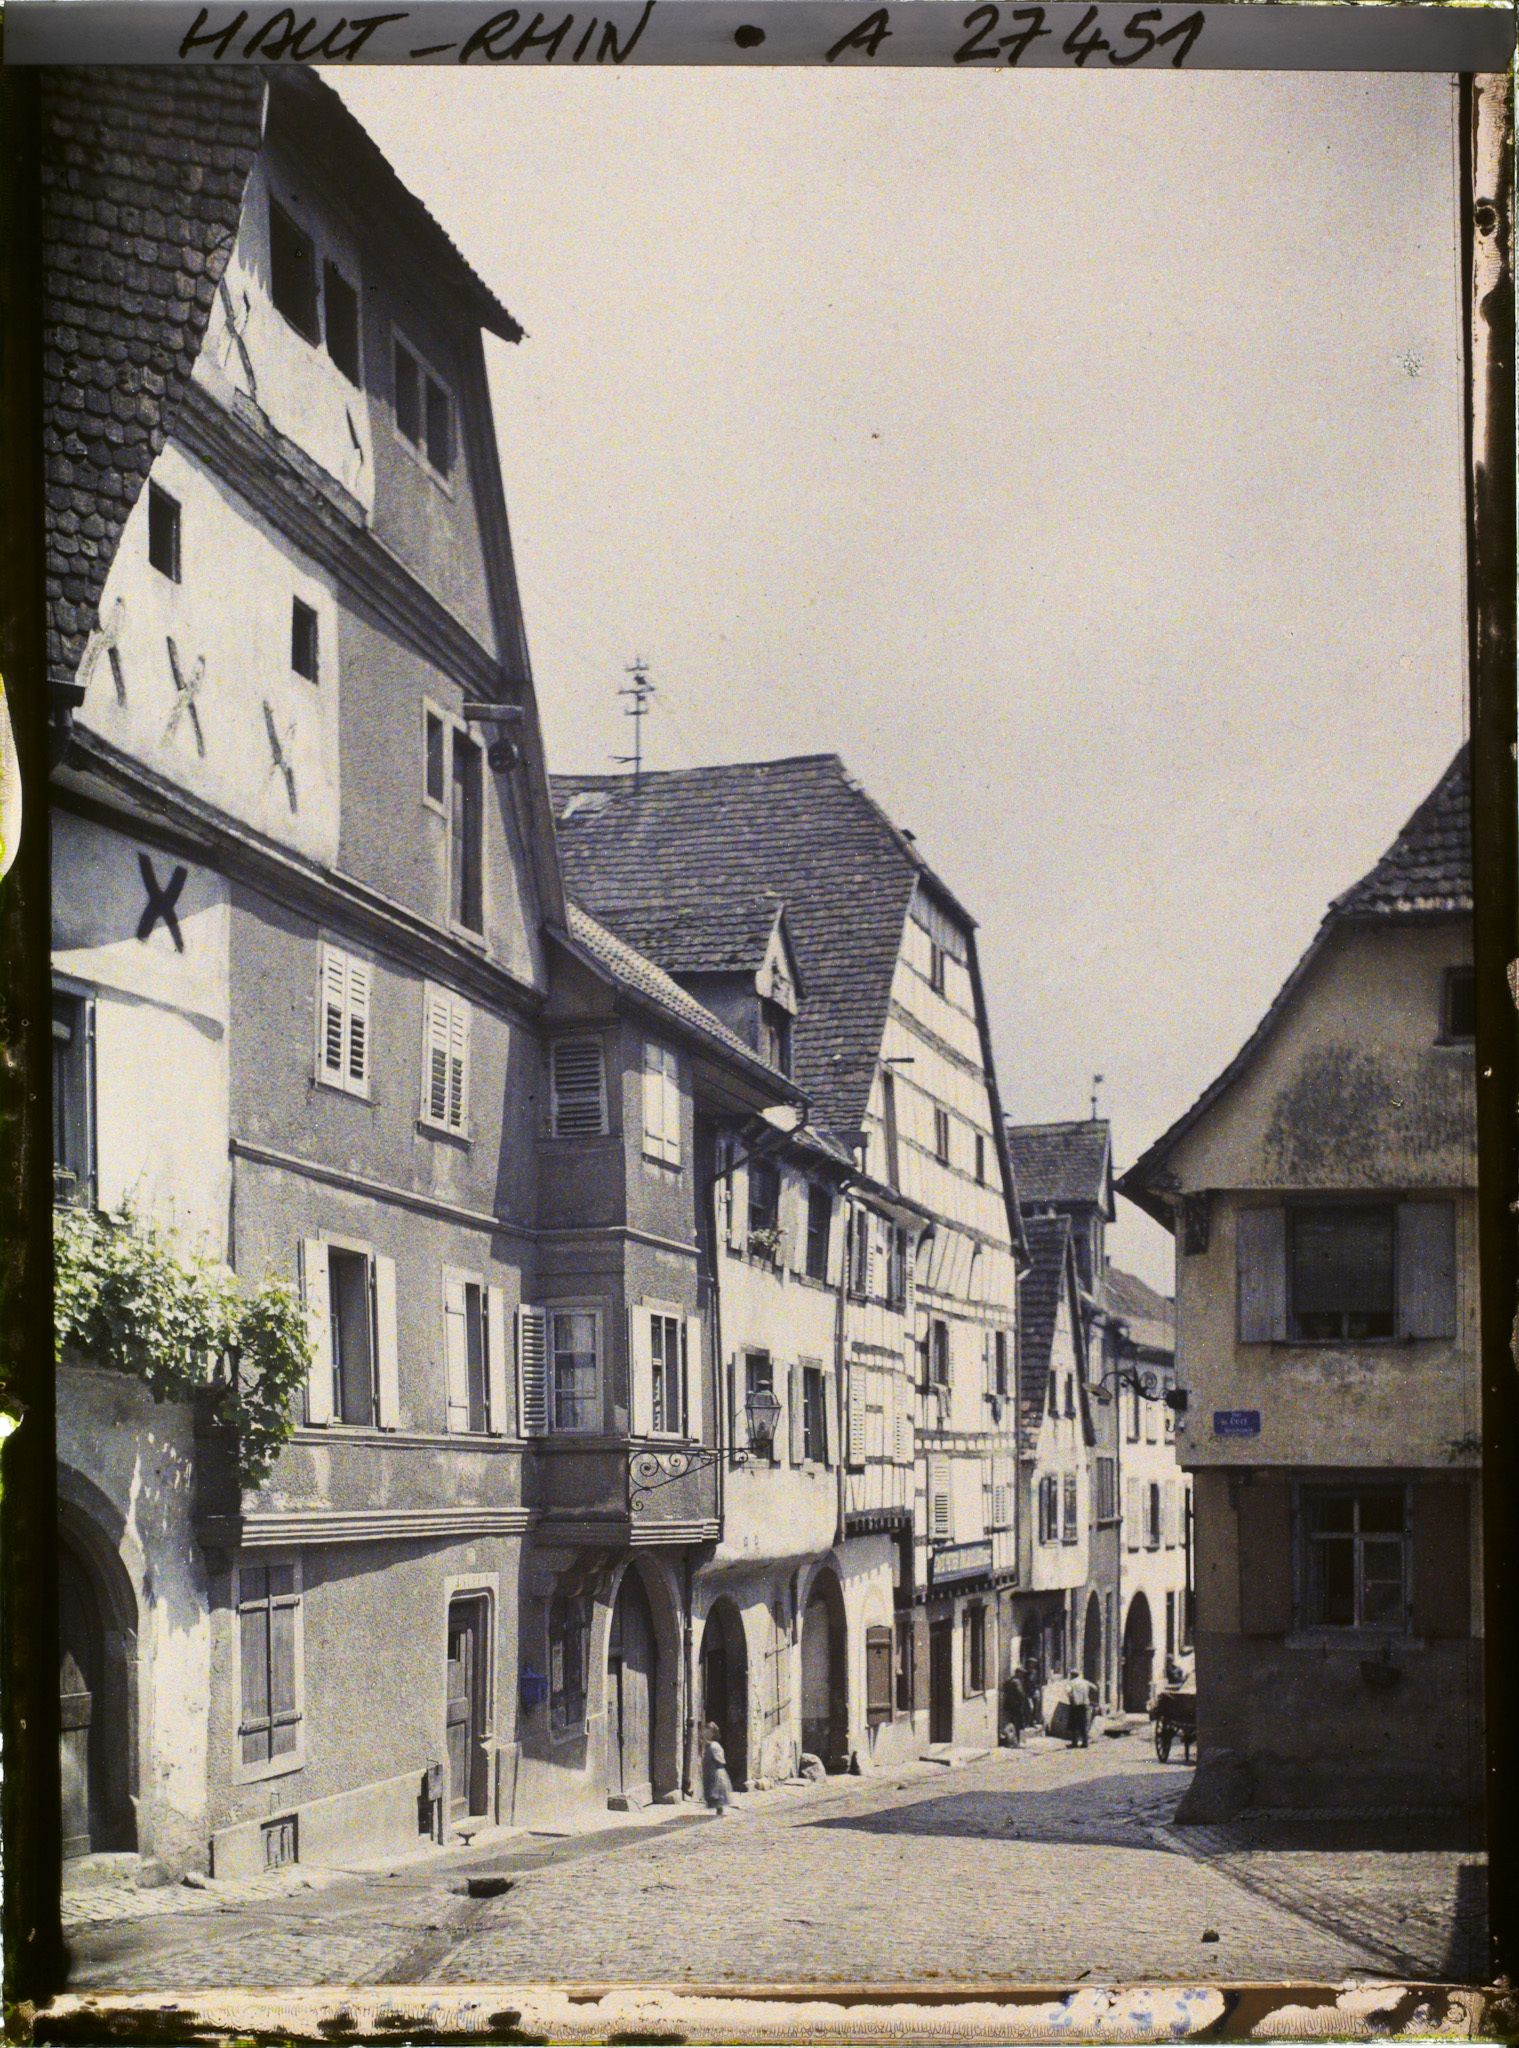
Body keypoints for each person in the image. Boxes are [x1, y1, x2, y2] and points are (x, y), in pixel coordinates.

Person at [700, 1721, 733, 1816]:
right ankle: (718, 1809)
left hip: (716, 1772)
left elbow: (720, 1760)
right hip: (711, 1771)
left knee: (717, 1791)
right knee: (712, 1791)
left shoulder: (714, 1745)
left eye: (708, 1731)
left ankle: (719, 1809)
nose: (706, 1733)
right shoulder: (709, 1745)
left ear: (713, 1733)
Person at [1066, 1670, 1097, 1749]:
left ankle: (1074, 1743)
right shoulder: (1084, 1681)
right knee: (1083, 1724)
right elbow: (1095, 1687)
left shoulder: (1071, 1683)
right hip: (1085, 1704)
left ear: (1072, 1675)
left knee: (1073, 1724)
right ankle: (1085, 1743)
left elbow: (1069, 1692)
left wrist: (1072, 1700)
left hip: (1075, 1705)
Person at [1000, 1668, 1029, 1747]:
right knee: (1018, 1724)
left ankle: (1012, 1741)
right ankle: (1017, 1742)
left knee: (1011, 1723)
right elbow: (1020, 1693)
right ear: (1018, 1673)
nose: (1023, 1675)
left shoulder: (1009, 1680)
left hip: (1009, 1705)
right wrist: (1024, 1702)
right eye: (1021, 1673)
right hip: (1016, 1706)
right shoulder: (1016, 1682)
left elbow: (1004, 1688)